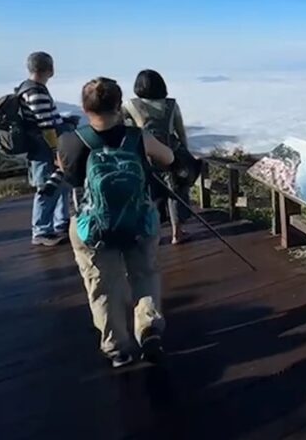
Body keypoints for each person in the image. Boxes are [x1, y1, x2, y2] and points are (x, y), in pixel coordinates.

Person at [57, 78, 174, 368]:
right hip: (138, 219)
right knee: (144, 273)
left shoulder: (71, 140)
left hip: (92, 227)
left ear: (85, 108)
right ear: (118, 105)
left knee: (102, 284)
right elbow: (169, 158)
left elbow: (68, 177)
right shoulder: (137, 137)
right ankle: (148, 329)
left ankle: (117, 347)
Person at [123, 69, 193, 245]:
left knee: (149, 193)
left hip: (146, 155)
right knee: (175, 192)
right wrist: (185, 152)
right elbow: (180, 131)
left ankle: (151, 232)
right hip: (170, 154)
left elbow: (120, 125)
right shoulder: (171, 105)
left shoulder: (131, 105)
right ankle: (177, 233)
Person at [20, 51, 71, 246]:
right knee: (47, 187)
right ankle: (41, 230)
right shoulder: (36, 92)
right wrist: (56, 150)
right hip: (45, 148)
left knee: (59, 184)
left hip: (44, 147)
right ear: (49, 68)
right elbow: (45, 125)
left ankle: (60, 223)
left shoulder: (30, 88)